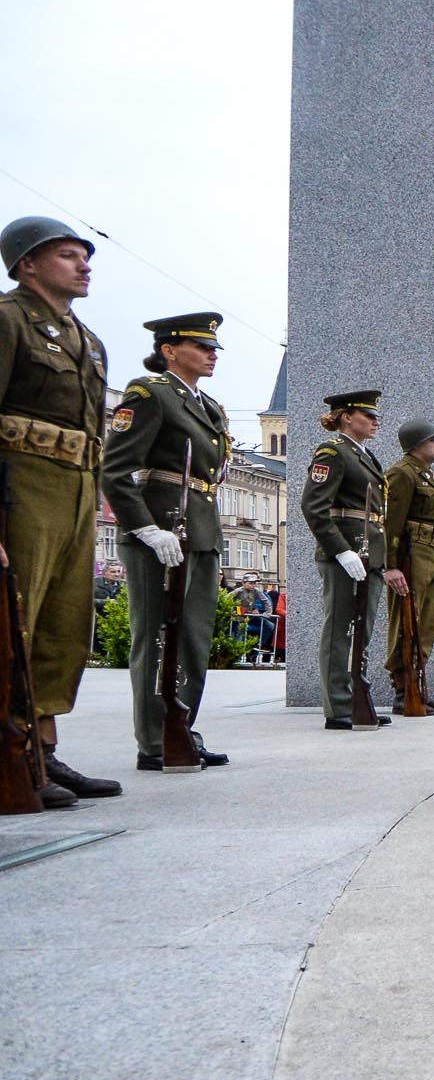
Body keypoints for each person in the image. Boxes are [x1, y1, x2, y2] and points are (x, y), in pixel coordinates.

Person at [0, 215, 123, 806]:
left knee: (63, 625)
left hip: (76, 490)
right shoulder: (7, 321)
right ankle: (12, 751)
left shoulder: (88, 339)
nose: (84, 264)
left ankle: (44, 750)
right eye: (68, 255)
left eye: (85, 255)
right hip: (22, 486)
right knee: (14, 622)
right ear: (27, 263)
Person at [103, 312, 237, 769]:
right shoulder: (149, 394)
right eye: (202, 347)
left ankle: (181, 729)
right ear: (169, 350)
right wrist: (143, 527)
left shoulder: (209, 406)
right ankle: (155, 740)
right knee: (158, 635)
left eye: (214, 348)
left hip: (200, 528)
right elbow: (116, 469)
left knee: (193, 638)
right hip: (161, 525)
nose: (212, 354)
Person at [301, 391, 393, 730]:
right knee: (340, 628)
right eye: (367, 415)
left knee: (362, 630)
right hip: (346, 552)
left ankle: (356, 697)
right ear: (345, 417)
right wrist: (340, 550)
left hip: (368, 552)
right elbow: (314, 506)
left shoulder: (364, 455)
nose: (375, 420)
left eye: (374, 415)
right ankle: (337, 705)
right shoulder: (333, 452)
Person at [383, 418, 434, 711]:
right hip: (410, 555)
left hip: (430, 552)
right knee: (406, 622)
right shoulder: (402, 473)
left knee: (425, 623)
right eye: (433, 439)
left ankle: (418, 683)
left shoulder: (426, 474)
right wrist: (390, 565)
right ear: (416, 445)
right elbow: (390, 524)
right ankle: (402, 689)